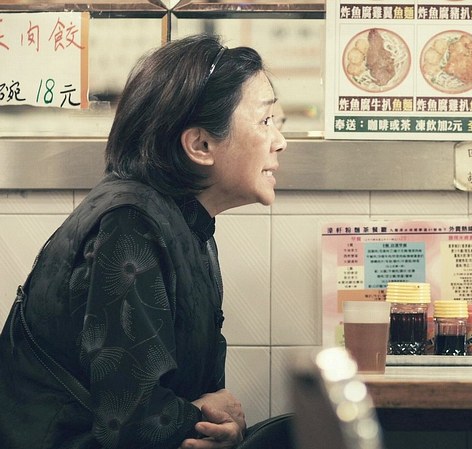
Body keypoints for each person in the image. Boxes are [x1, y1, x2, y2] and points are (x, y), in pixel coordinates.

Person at [0, 34, 293, 449]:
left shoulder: (185, 220)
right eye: (265, 121)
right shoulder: (130, 223)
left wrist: (218, 423)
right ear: (201, 145)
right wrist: (205, 418)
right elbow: (130, 421)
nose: (280, 141)